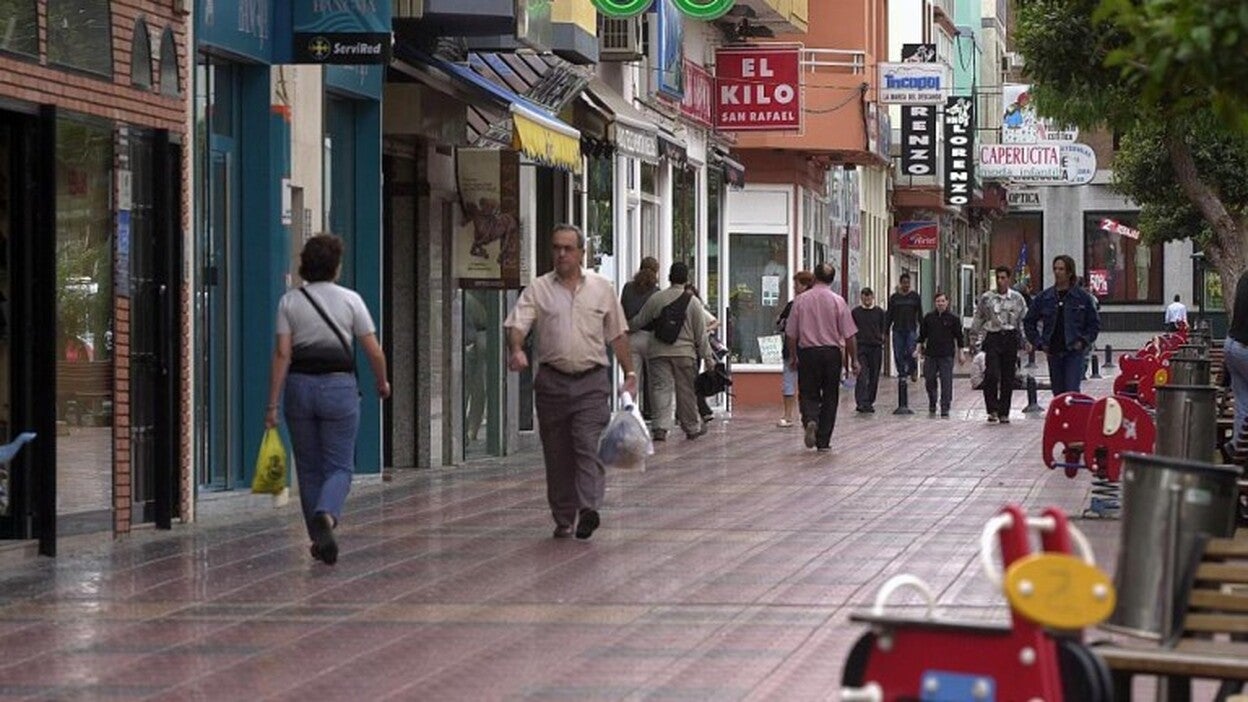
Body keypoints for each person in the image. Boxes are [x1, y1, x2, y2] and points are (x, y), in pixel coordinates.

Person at [265, 234, 391, 566]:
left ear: (305, 265)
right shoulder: (351, 301)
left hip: (299, 389)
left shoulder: (289, 302)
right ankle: (328, 515)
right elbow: (373, 351)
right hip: (339, 389)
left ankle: (318, 540)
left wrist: (272, 404)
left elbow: (282, 354)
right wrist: (382, 383)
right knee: (339, 466)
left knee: (308, 469)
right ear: (336, 266)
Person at [505, 224, 636, 540]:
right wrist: (517, 348)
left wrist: (629, 373)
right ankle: (564, 517)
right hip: (551, 382)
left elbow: (617, 334)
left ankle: (588, 508)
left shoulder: (602, 288)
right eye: (556, 248)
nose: (561, 254)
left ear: (581, 253)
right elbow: (518, 324)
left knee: (587, 445)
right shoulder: (538, 288)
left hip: (591, 382)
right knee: (558, 453)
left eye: (568, 248)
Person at [631, 263, 714, 441]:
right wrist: (708, 358)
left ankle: (660, 427)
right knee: (686, 391)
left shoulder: (657, 298)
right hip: (685, 353)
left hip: (658, 351)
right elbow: (701, 334)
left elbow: (639, 321)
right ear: (687, 279)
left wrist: (624, 327)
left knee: (660, 389)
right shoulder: (693, 302)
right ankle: (691, 427)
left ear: (669, 277)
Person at [785, 263, 858, 453]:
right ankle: (823, 440)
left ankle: (810, 419)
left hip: (808, 353)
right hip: (831, 354)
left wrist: (793, 357)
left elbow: (791, 334)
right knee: (830, 396)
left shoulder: (800, 300)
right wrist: (854, 360)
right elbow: (849, 335)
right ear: (832, 280)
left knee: (808, 392)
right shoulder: (838, 301)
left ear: (814, 277)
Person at [1024, 255, 1101, 396]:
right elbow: (1029, 321)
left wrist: (1083, 341)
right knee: (1058, 392)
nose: (1057, 272)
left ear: (1069, 272)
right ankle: (1061, 418)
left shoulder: (1082, 297)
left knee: (1072, 391)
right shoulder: (1045, 297)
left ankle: (1072, 417)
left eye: (1061, 269)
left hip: (1073, 351)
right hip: (1053, 351)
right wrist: (1039, 342)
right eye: (1055, 269)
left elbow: (1094, 324)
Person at [972, 266, 1029, 424]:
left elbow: (1023, 320)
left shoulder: (1017, 298)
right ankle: (992, 409)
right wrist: (973, 337)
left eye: (1003, 278)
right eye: (998, 278)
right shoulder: (987, 298)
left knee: (1008, 376)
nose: (1000, 281)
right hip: (993, 336)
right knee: (991, 374)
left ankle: (1004, 411)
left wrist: (1026, 339)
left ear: (1008, 279)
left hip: (1010, 337)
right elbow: (979, 318)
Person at [621, 257, 660, 417]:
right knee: (653, 380)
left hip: (631, 337)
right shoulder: (656, 291)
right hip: (651, 337)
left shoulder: (628, 288)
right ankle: (653, 412)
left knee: (632, 377)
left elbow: (621, 309)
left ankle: (630, 412)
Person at [775, 271, 815, 426]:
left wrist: (780, 321)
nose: (794, 287)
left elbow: (782, 324)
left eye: (796, 284)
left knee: (789, 383)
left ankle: (788, 416)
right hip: (810, 350)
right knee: (807, 384)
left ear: (804, 285)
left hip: (794, 350)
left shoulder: (794, 304)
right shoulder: (813, 305)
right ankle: (807, 415)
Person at [917, 292, 965, 418]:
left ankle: (945, 406)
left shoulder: (953, 318)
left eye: (943, 301)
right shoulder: (928, 317)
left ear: (947, 302)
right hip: (931, 354)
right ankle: (932, 401)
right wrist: (918, 349)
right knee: (929, 379)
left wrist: (961, 353)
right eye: (938, 301)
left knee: (946, 381)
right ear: (935, 303)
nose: (940, 303)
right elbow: (922, 336)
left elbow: (959, 337)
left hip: (946, 355)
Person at [1222, 270, 1248, 450]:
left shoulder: (1245, 276)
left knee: (1243, 403)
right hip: (1245, 347)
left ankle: (1238, 447)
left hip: (1232, 344)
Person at [851, 287, 887, 413]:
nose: (867, 299)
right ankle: (861, 402)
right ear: (861, 297)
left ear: (873, 297)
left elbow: (884, 328)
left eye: (869, 296)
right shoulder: (855, 312)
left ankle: (870, 401)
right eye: (864, 296)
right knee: (862, 374)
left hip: (875, 347)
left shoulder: (880, 312)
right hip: (861, 347)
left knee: (874, 375)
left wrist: (881, 337)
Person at [887, 273, 923, 382]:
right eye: (904, 283)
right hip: (898, 329)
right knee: (898, 353)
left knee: (911, 351)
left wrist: (923, 329)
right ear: (900, 283)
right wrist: (885, 330)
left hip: (911, 329)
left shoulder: (915, 297)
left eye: (908, 283)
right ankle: (901, 373)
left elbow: (920, 314)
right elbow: (889, 314)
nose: (906, 285)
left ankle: (913, 369)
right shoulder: (894, 298)